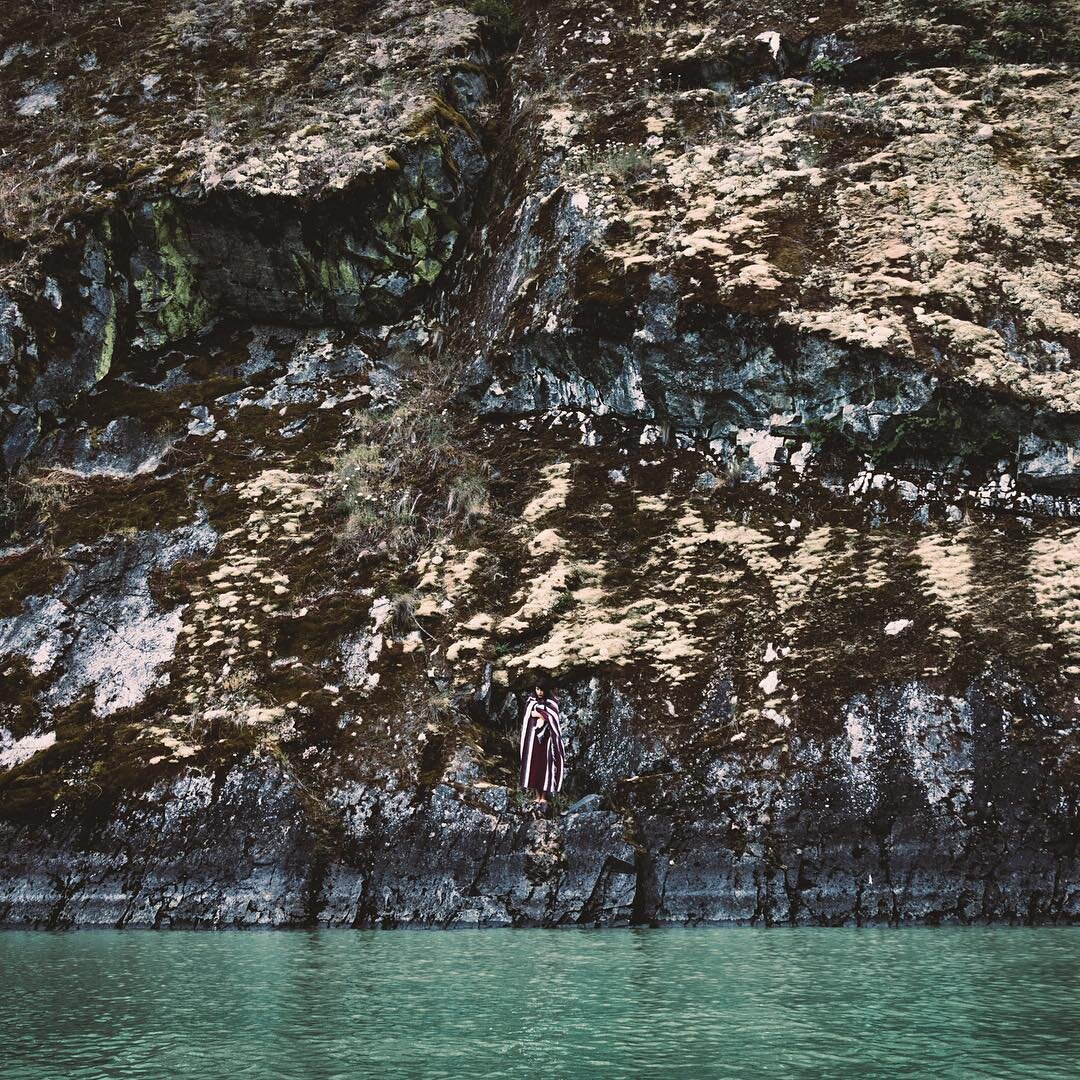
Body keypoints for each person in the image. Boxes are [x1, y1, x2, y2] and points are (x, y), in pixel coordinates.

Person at [519, 677, 564, 815]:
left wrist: (540, 713)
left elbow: (552, 717)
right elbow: (529, 714)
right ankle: (536, 796)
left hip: (546, 741)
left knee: (544, 766)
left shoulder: (552, 702)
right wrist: (540, 713)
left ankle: (543, 796)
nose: (539, 692)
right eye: (537, 689)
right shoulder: (531, 701)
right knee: (533, 766)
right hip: (533, 741)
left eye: (541, 689)